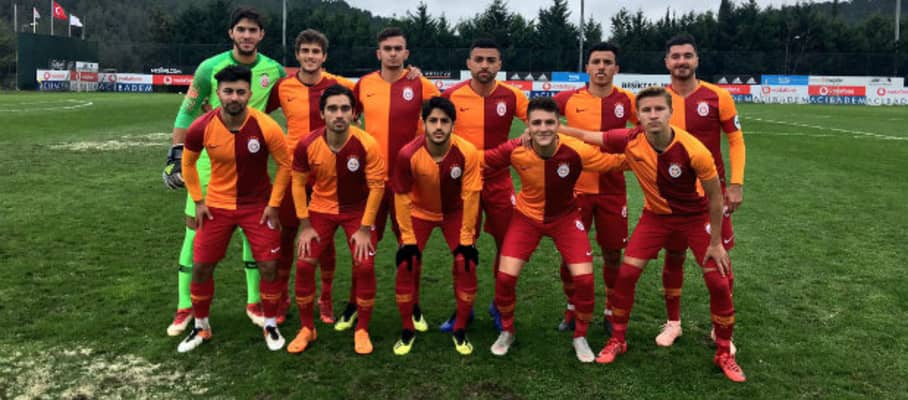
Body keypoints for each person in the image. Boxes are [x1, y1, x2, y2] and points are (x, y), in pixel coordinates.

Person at [558, 86, 745, 382]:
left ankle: (724, 352)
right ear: (638, 116)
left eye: (659, 109)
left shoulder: (694, 150)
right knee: (626, 275)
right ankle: (618, 339)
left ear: (670, 113)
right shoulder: (630, 139)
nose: (653, 115)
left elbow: (714, 198)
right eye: (646, 110)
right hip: (656, 218)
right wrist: (554, 128)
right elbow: (587, 136)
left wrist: (716, 243)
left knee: (718, 282)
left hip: (695, 218)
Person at [162, 7, 286, 336]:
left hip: (252, 162)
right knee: (195, 233)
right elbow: (186, 112)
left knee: (252, 234)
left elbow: (281, 100)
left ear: (261, 35)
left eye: (253, 30)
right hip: (210, 164)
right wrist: (175, 156)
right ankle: (185, 307)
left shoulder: (274, 70)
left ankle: (254, 303)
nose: (247, 35)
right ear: (231, 32)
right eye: (241, 29)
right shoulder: (209, 68)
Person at [483, 97, 625, 363]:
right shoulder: (515, 149)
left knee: (585, 280)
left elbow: (614, 163)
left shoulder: (576, 150)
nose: (543, 128)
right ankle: (507, 331)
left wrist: (648, 151)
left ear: (558, 124)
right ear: (528, 125)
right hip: (526, 219)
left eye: (549, 122)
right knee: (505, 278)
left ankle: (580, 336)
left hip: (565, 219)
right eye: (537, 123)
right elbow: (481, 160)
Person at [176, 65, 291, 353]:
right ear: (218, 93)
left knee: (269, 266)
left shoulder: (266, 126)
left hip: (257, 207)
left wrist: (274, 204)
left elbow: (285, 165)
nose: (234, 97)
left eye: (240, 92)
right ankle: (201, 326)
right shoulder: (201, 126)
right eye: (228, 92)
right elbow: (187, 164)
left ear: (249, 94)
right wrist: (198, 201)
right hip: (217, 206)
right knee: (201, 267)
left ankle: (270, 323)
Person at [345, 27, 439, 332]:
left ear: (406, 53)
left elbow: (444, 121)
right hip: (370, 183)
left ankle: (413, 306)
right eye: (388, 48)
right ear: (379, 53)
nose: (393, 53)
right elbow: (346, 118)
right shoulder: (364, 84)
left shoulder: (420, 84)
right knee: (362, 247)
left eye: (399, 48)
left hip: (407, 183)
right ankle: (353, 303)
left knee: (410, 247)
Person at [657, 33, 746, 353]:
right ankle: (673, 322)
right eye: (676, 56)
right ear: (666, 62)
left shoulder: (718, 96)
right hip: (670, 194)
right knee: (674, 257)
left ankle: (721, 326)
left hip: (712, 194)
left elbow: (735, 140)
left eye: (687, 56)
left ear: (697, 60)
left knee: (720, 258)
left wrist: (736, 183)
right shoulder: (658, 99)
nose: (681, 61)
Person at [266, 29, 357, 326]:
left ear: (324, 56)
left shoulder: (339, 85)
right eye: (305, 51)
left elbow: (370, 98)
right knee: (287, 236)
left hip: (327, 175)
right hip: (293, 173)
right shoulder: (283, 87)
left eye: (316, 51)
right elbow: (256, 111)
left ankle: (325, 298)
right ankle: (282, 297)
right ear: (297, 55)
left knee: (324, 241)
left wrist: (410, 73)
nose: (310, 56)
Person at [288, 84, 386, 355]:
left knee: (365, 266)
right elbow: (298, 184)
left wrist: (364, 228)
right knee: (304, 264)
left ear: (354, 113)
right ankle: (307, 328)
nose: (339, 114)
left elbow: (377, 187)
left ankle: (362, 329)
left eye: (345, 109)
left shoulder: (367, 144)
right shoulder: (307, 144)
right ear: (322, 114)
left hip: (358, 211)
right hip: (321, 209)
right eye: (332, 109)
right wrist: (305, 224)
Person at [440, 38, 528, 332]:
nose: (485, 65)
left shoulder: (512, 96)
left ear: (500, 64)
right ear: (469, 63)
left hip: (499, 182)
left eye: (491, 60)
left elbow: (540, 120)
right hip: (462, 185)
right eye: (479, 60)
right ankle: (463, 309)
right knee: (463, 248)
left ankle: (500, 305)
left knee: (508, 247)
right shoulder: (452, 95)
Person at [552, 42, 637, 333]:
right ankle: (572, 307)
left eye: (607, 62)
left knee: (613, 253)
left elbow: (646, 129)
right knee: (570, 255)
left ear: (616, 69)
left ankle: (611, 309)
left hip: (613, 189)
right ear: (587, 67)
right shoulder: (568, 98)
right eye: (596, 62)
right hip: (575, 189)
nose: (601, 67)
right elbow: (536, 116)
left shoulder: (628, 100)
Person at [390, 97, 482, 356]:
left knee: (466, 263)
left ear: (453, 124)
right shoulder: (408, 154)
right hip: (420, 212)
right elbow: (402, 197)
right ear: (424, 123)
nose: (438, 126)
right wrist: (407, 238)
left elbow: (471, 196)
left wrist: (467, 238)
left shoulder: (467, 152)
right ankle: (407, 328)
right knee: (407, 263)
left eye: (444, 121)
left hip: (455, 213)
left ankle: (460, 329)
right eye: (433, 121)